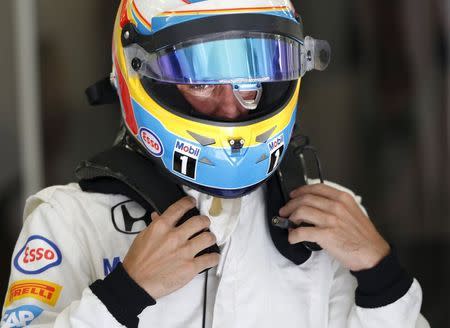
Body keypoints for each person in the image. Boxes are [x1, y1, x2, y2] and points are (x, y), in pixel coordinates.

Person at [2, 0, 430, 327]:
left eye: (252, 79)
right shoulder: (70, 220)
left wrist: (381, 273)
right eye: (202, 81)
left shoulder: (327, 214)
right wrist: (124, 294)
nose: (231, 107)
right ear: (140, 75)